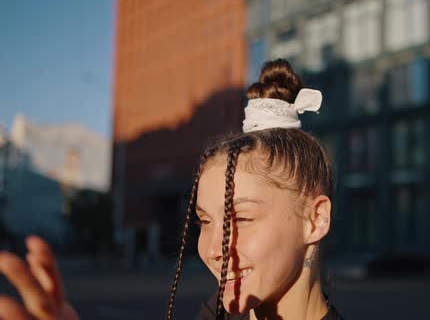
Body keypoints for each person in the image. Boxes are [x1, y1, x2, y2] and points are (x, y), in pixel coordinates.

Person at [0, 59, 342, 320]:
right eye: (205, 222)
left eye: (242, 217)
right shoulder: (214, 313)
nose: (213, 249)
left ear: (314, 219)